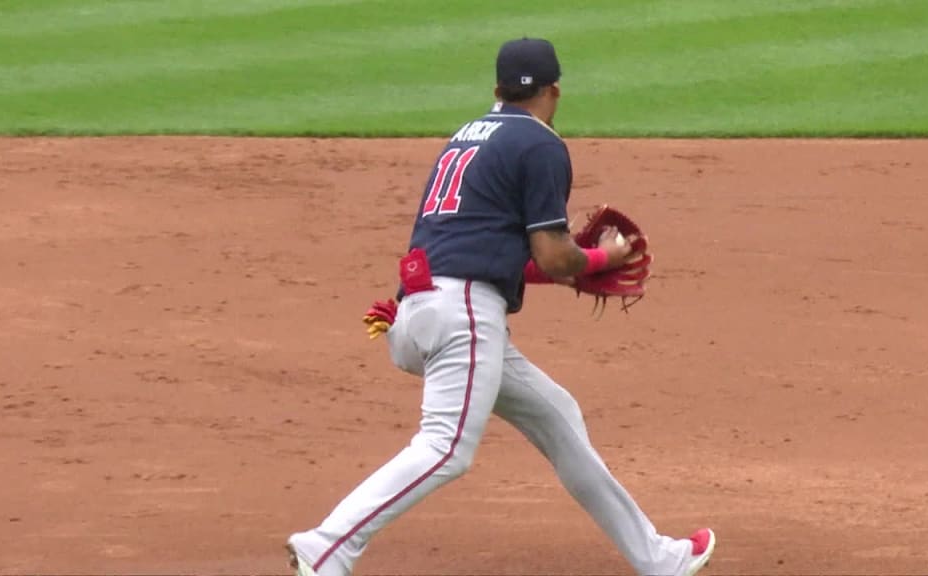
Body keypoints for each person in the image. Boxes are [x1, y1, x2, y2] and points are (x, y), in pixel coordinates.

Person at [286, 37, 716, 576]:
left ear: (497, 90)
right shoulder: (540, 145)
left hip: (420, 309)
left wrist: (577, 262)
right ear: (555, 91)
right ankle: (325, 547)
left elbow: (498, 252)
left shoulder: (467, 136)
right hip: (463, 316)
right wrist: (600, 257)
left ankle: (660, 559)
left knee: (557, 415)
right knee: (445, 449)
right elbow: (555, 257)